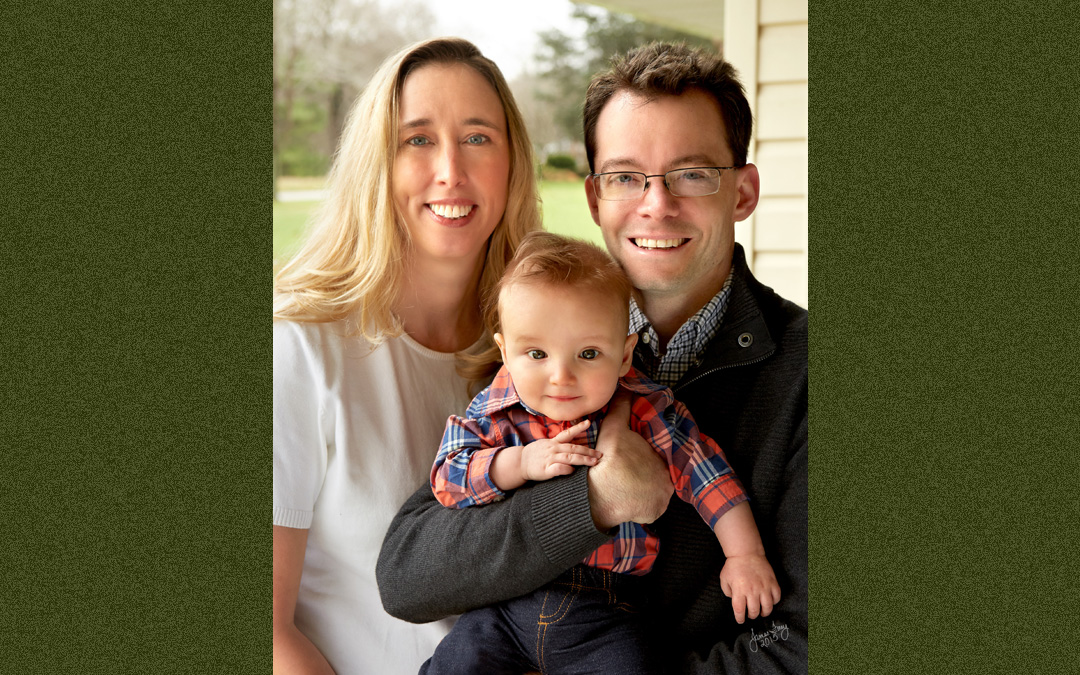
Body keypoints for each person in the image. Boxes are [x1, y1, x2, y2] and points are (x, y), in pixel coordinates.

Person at [378, 42, 808, 674]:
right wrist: (593, 499)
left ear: (742, 193)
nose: (655, 204)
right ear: (593, 198)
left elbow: (801, 645)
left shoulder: (805, 376)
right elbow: (410, 574)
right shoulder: (542, 341)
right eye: (626, 177)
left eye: (691, 174)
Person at [273, 37, 540, 674]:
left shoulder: (537, 355)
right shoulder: (300, 346)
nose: (451, 168)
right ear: (378, 161)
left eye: (478, 137)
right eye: (416, 139)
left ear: (512, 163)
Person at [422, 232, 780, 673]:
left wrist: (745, 555)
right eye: (536, 353)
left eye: (588, 353)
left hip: (604, 608)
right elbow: (447, 478)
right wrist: (518, 463)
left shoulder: (648, 412)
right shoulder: (495, 412)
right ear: (505, 352)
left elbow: (710, 478)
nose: (561, 376)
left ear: (626, 354)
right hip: (503, 604)